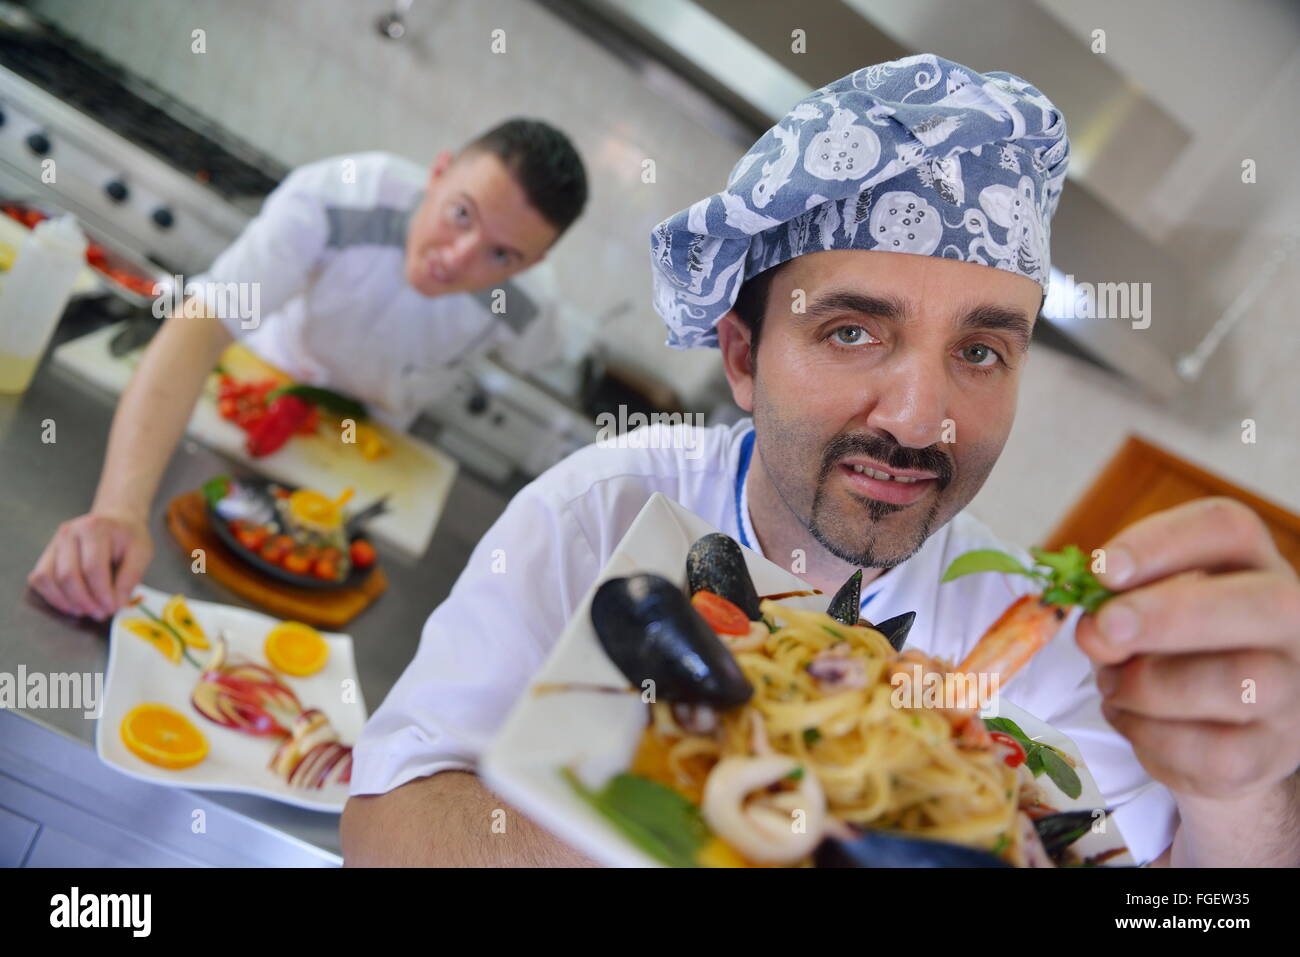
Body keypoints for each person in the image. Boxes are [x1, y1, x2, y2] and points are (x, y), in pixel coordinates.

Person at [341, 56, 1300, 867]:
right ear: (745, 358)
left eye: (979, 352)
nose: (922, 421)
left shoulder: (1045, 648)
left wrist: (1245, 793)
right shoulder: (606, 505)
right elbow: (384, 820)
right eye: (851, 331)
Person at [28, 118, 588, 621]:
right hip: (249, 403)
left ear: (532, 263)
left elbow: (542, 358)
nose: (458, 257)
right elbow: (202, 327)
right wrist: (119, 511)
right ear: (437, 173)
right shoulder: (336, 196)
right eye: (460, 213)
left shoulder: (531, 306)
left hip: (365, 455)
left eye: (502, 255)